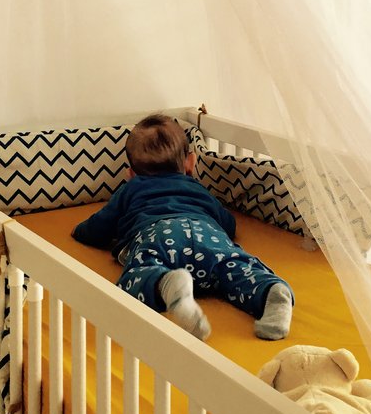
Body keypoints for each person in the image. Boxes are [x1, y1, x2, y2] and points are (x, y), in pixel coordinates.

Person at [72, 113, 294, 341]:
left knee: (139, 274)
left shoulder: (132, 187)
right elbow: (228, 224)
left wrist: (80, 231)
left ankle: (167, 284)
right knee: (233, 268)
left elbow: (99, 228)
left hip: (158, 236)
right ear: (191, 162)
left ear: (131, 173)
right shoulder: (198, 189)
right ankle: (269, 291)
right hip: (207, 234)